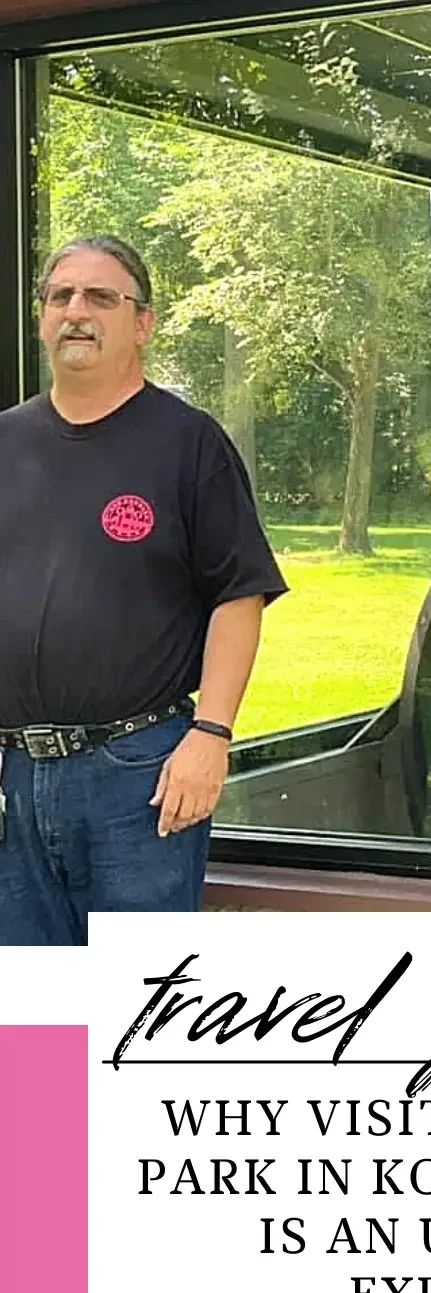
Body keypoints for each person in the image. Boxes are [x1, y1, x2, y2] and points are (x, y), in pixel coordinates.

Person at [0, 234, 287, 945]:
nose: (77, 312)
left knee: (133, 1007)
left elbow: (238, 596)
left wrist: (210, 737)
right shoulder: (4, 444)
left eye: (101, 296)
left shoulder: (187, 443)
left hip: (139, 775)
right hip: (10, 777)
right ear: (40, 318)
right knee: (36, 1026)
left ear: (143, 322)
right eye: (60, 296)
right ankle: (46, 1069)